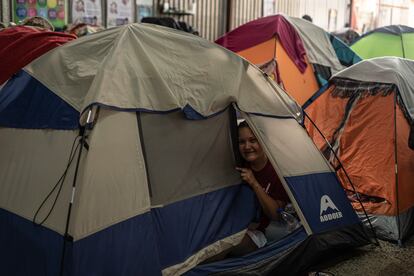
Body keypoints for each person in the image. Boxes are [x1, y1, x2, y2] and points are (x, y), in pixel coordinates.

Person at [231, 121, 291, 256]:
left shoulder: (276, 170)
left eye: (253, 140)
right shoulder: (237, 166)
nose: (247, 147)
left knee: (226, 246)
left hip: (264, 231)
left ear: (263, 140)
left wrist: (254, 182)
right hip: (236, 226)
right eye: (241, 142)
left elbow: (275, 214)